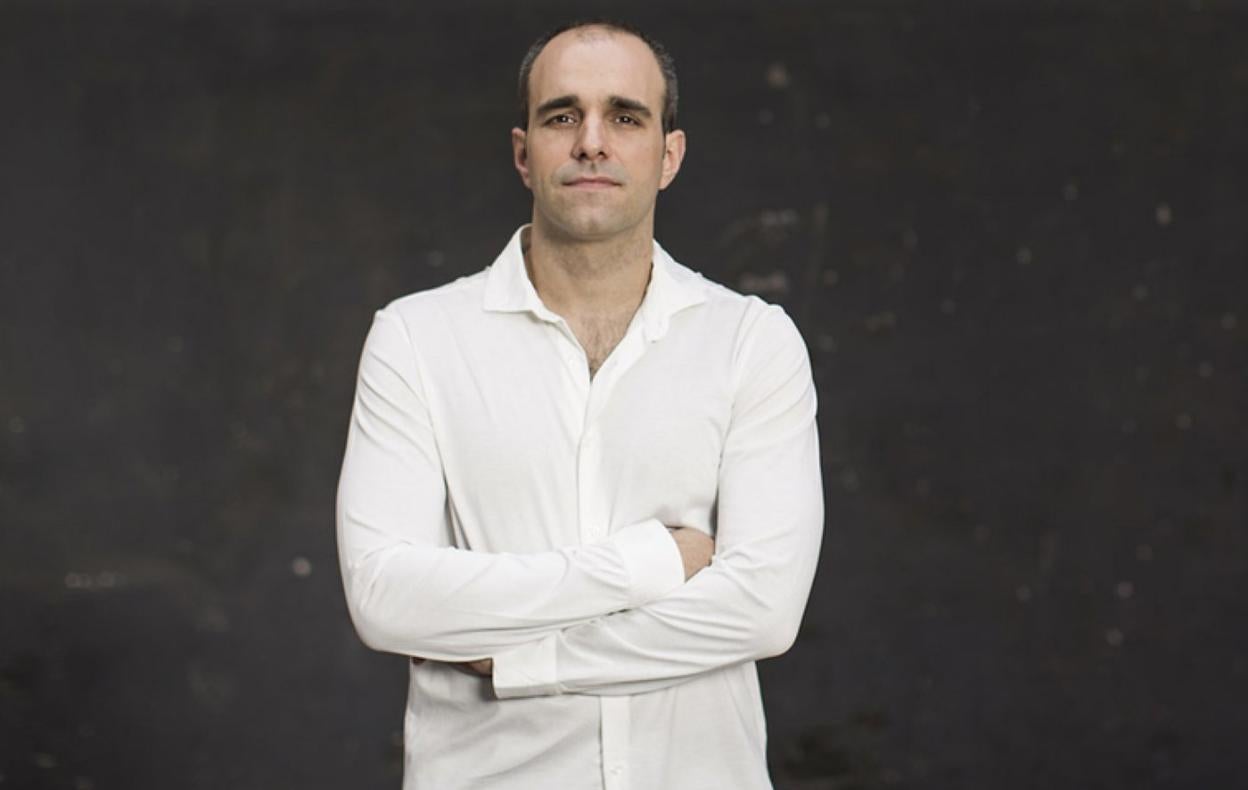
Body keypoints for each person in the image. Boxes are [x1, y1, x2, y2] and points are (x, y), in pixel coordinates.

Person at [335, 19, 824, 790]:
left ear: (669, 156)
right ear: (523, 153)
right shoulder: (417, 339)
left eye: (625, 117)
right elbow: (386, 597)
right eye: (563, 115)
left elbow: (763, 609)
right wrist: (649, 564)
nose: (592, 142)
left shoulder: (751, 342)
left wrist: (525, 659)